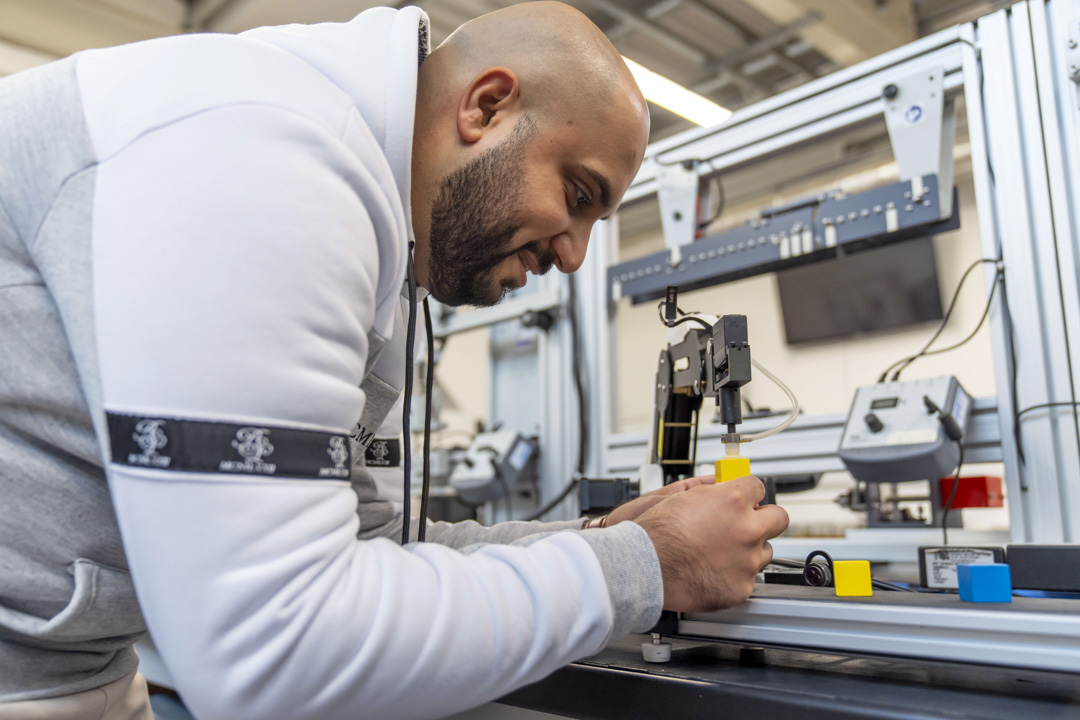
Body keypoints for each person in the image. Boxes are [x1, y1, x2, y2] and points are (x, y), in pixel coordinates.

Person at [0, 2, 789, 718]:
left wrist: (595, 541)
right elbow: (277, 653)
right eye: (577, 195)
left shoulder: (387, 239)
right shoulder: (264, 156)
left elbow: (375, 548)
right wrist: (646, 567)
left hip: (78, 672)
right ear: (486, 107)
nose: (576, 256)